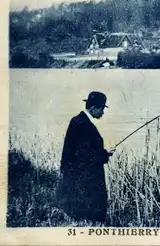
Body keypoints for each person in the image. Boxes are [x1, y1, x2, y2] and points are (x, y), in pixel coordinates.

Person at [57, 91, 115, 224]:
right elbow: (86, 156)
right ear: (94, 108)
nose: (103, 113)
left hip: (77, 175)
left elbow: (82, 151)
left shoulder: (78, 120)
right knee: (91, 214)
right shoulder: (84, 125)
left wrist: (104, 152)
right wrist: (105, 154)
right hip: (85, 177)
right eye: (101, 109)